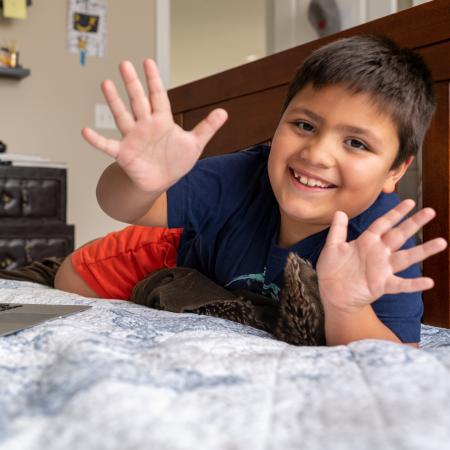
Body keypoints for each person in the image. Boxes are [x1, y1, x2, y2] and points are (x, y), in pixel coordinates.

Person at [54, 34, 447, 347]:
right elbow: (121, 205)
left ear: (395, 171)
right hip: (177, 249)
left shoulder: (381, 239)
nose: (317, 153)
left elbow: (395, 357)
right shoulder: (241, 175)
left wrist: (347, 308)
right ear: (278, 124)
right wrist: (139, 181)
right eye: (305, 126)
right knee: (68, 279)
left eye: (356, 143)